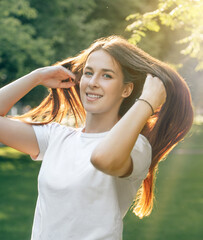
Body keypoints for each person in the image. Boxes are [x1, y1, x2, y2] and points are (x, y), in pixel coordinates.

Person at [0, 35, 193, 240]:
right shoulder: (56, 137)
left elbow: (102, 158)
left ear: (126, 89)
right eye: (88, 73)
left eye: (106, 76)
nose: (92, 83)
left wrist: (147, 101)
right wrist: (37, 76)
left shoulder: (136, 147)